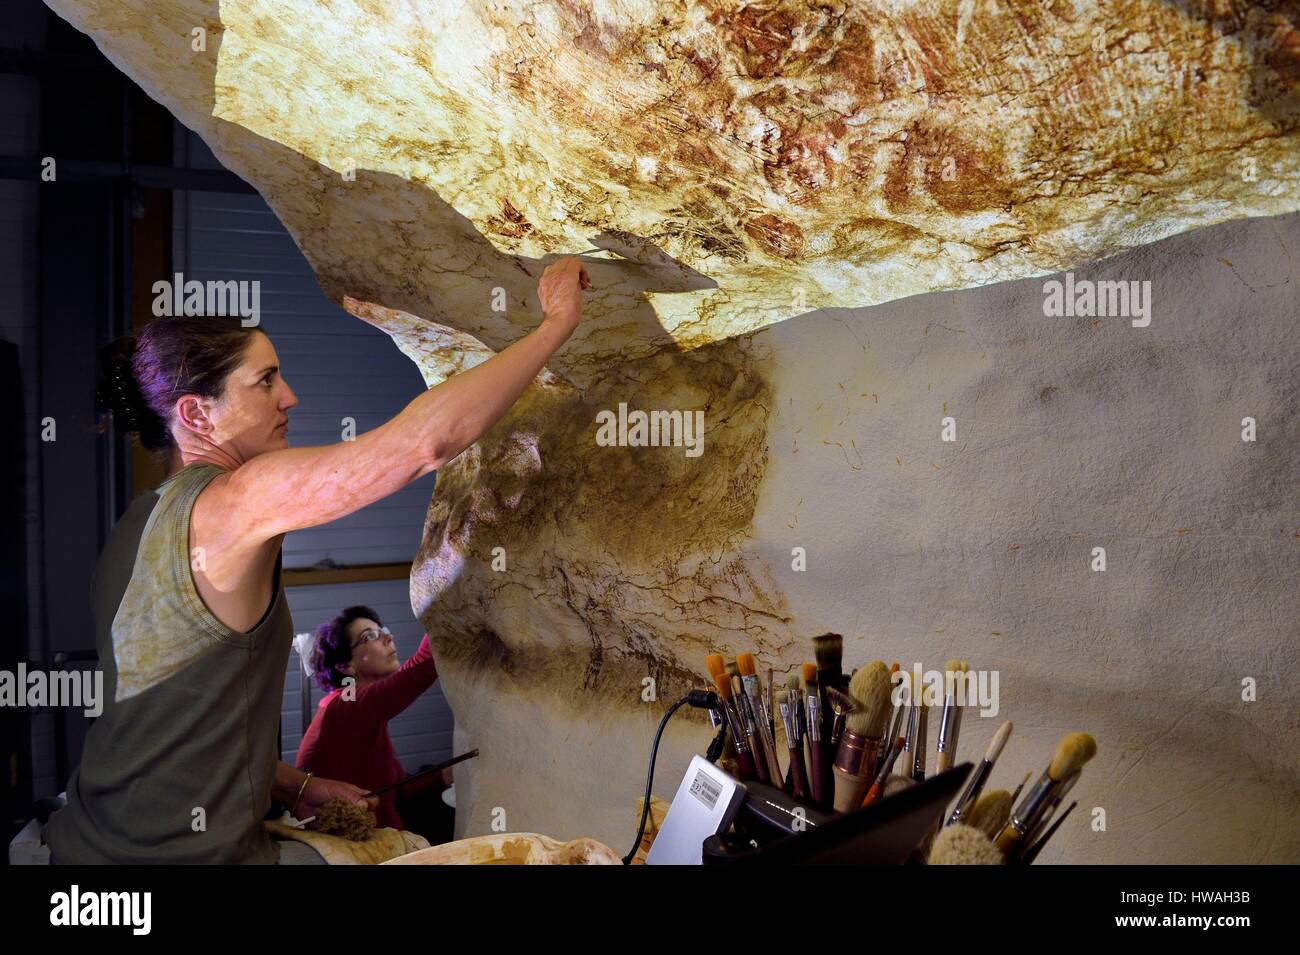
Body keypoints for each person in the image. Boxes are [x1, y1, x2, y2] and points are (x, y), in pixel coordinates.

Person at [45, 257, 590, 863]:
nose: (290, 397)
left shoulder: (137, 526)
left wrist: (297, 784)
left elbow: (178, 723)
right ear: (197, 415)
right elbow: (421, 444)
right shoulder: (231, 500)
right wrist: (556, 324)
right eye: (266, 381)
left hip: (91, 848)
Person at [297, 607, 452, 842]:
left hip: (381, 837)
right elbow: (422, 667)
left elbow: (400, 786)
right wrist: (446, 606)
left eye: (383, 631)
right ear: (345, 666)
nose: (387, 638)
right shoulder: (342, 707)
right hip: (354, 846)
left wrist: (447, 774)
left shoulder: (364, 715)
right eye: (369, 636)